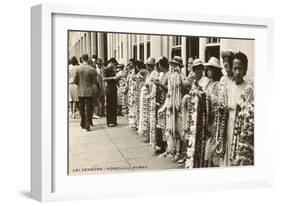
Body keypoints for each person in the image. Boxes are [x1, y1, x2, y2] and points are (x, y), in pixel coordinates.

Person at [225, 51, 253, 166]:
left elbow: (250, 112)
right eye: (235, 68)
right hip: (229, 124)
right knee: (229, 152)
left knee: (239, 155)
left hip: (242, 127)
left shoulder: (248, 88)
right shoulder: (229, 87)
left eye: (240, 69)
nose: (237, 72)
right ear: (231, 69)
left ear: (245, 69)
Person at [74, 54, 97, 131]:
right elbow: (94, 81)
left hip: (80, 91)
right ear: (88, 59)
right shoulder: (92, 69)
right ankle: (87, 124)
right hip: (89, 91)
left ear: (82, 59)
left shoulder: (78, 69)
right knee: (89, 108)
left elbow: (75, 81)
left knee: (81, 107)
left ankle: (83, 121)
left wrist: (80, 84)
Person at [138, 57, 158, 143]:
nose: (147, 67)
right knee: (144, 115)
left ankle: (150, 135)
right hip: (145, 97)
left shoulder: (154, 73)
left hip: (149, 97)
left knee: (149, 115)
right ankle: (146, 133)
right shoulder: (148, 73)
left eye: (148, 65)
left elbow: (153, 84)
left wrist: (146, 84)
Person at [103, 58, 119, 127]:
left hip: (113, 88)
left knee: (114, 104)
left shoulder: (113, 69)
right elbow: (104, 78)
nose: (114, 66)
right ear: (111, 62)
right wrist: (113, 78)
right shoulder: (106, 69)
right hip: (109, 88)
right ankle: (110, 121)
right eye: (114, 64)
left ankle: (114, 120)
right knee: (110, 105)